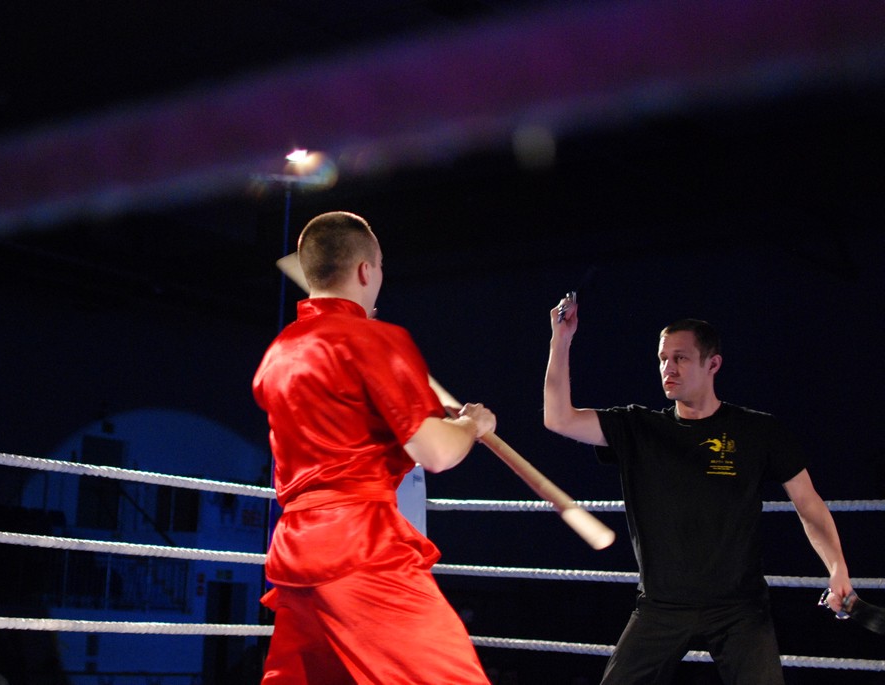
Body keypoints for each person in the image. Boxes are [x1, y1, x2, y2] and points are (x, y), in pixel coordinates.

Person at [542, 297, 854, 684]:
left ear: (713, 364)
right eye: (662, 359)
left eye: (681, 358)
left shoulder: (758, 431)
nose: (668, 368)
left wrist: (837, 568)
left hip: (739, 608)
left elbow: (808, 503)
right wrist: (561, 339)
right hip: (661, 605)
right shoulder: (638, 427)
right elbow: (558, 418)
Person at [253, 211, 496, 683]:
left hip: (296, 553)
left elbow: (342, 423)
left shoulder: (280, 352)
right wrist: (472, 425)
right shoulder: (375, 341)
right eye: (380, 266)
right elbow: (437, 453)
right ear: (366, 270)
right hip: (360, 549)